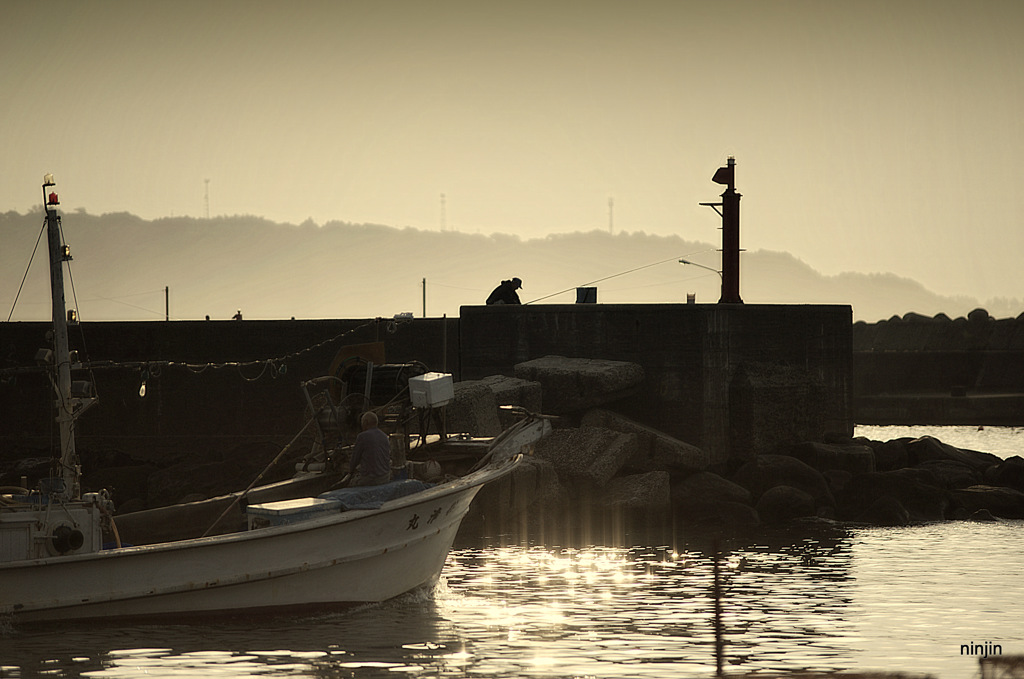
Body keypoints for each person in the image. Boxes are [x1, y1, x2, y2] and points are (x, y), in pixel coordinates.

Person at [349, 411, 392, 486]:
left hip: (372, 479)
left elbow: (355, 459)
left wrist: (350, 472)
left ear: (365, 422)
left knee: (350, 484)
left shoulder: (362, 436)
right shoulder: (384, 436)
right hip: (385, 477)